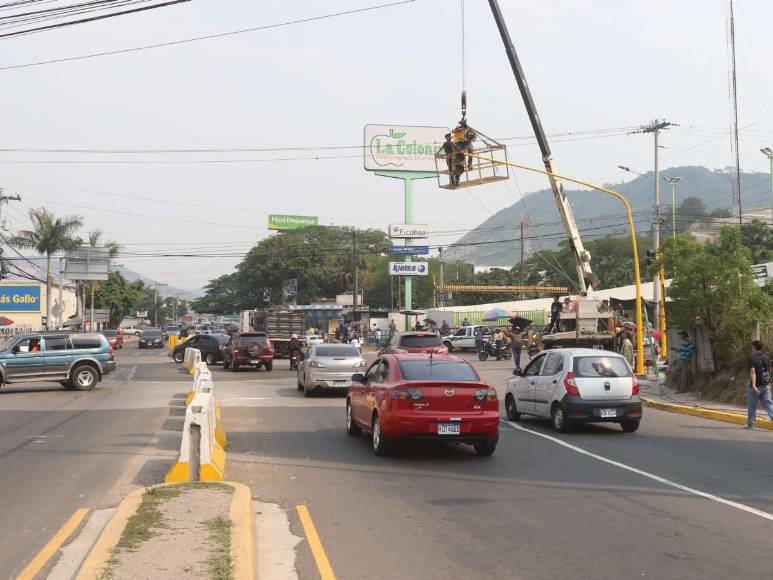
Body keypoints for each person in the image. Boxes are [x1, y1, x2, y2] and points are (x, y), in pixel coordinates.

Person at [747, 340, 773, 429]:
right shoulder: (766, 357)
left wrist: (753, 385)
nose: (751, 348)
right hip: (766, 385)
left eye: (752, 346)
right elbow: (769, 370)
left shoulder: (752, 358)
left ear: (754, 347)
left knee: (752, 406)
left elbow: (753, 372)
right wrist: (770, 382)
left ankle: (751, 425)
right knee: (769, 404)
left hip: (756, 386)